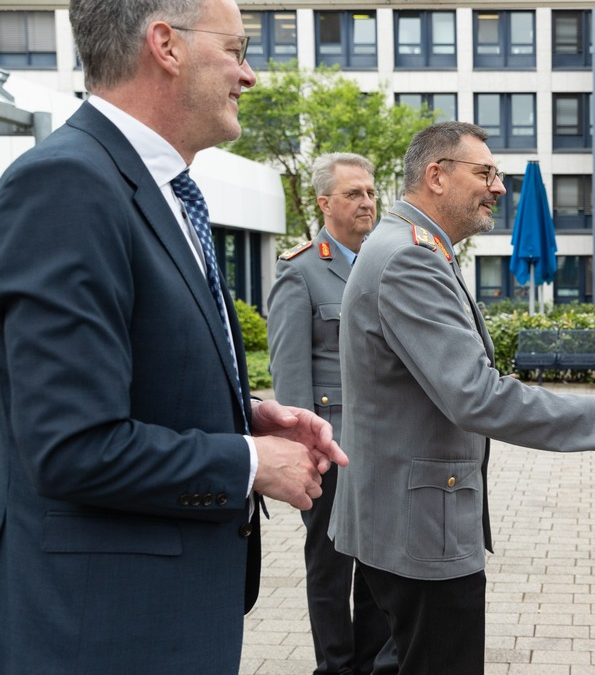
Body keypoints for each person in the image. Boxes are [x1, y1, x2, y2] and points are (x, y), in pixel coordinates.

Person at [0, 1, 347, 673]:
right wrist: (249, 460)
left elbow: (131, 377)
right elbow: (72, 445)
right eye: (237, 49)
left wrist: (246, 415)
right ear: (166, 45)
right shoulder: (67, 184)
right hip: (105, 635)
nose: (249, 75)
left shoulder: (156, 187)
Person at [327, 121, 595, 675]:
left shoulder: (409, 246)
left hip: (404, 521)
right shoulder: (410, 257)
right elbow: (475, 395)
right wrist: (594, 415)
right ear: (436, 176)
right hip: (421, 531)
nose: (499, 187)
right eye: (485, 173)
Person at [267, 153, 397, 675]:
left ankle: (369, 664)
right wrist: (307, 450)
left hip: (383, 446)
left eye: (370, 192)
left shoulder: (384, 262)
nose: (367, 202)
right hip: (331, 448)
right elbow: (290, 375)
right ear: (325, 203)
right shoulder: (300, 270)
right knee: (330, 568)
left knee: (378, 568)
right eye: (353, 194)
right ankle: (336, 667)